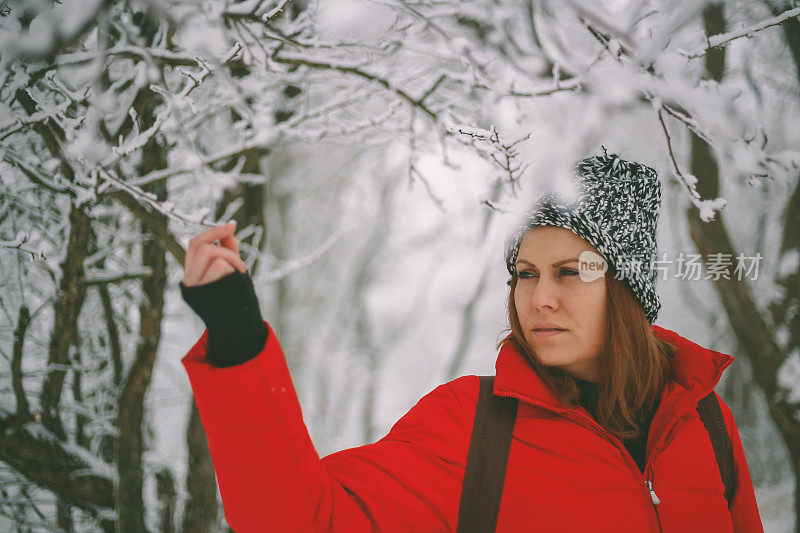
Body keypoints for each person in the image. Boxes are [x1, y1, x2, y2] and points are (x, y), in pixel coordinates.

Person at [179, 153, 764, 532]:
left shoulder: (701, 418)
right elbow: (303, 521)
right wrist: (236, 334)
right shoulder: (477, 427)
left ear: (627, 286)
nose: (540, 299)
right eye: (526, 274)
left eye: (571, 271)